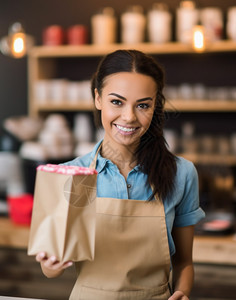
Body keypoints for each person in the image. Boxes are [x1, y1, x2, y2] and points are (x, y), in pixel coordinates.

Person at [35, 49, 205, 300]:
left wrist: (182, 292)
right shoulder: (69, 175)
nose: (129, 117)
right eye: (117, 101)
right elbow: (49, 270)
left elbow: (184, 263)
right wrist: (52, 263)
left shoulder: (182, 173)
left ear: (155, 105)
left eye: (143, 105)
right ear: (98, 98)